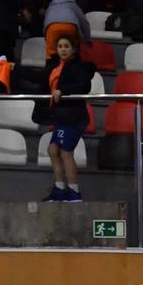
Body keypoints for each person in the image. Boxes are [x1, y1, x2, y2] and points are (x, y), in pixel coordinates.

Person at [43, 34, 95, 203]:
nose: (63, 49)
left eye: (66, 46)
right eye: (60, 46)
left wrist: (62, 91)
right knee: (53, 150)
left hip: (73, 117)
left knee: (65, 152)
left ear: (73, 49)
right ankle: (59, 189)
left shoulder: (79, 67)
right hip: (61, 116)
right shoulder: (56, 66)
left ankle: (74, 193)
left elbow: (84, 86)